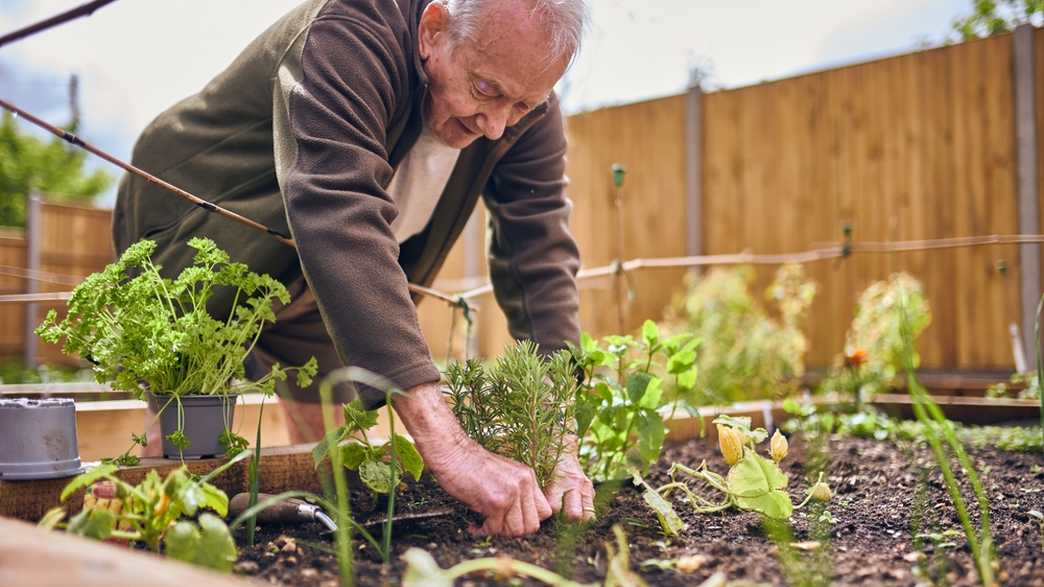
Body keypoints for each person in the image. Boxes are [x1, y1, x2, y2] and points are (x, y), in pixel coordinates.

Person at [113, 0, 594, 536]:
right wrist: (452, 447)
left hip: (328, 281)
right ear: (433, 30)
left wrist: (558, 435)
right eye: (485, 90)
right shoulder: (352, 31)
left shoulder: (522, 106)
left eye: (523, 104)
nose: (497, 124)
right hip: (202, 233)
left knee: (338, 472)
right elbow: (338, 206)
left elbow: (541, 254)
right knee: (186, 451)